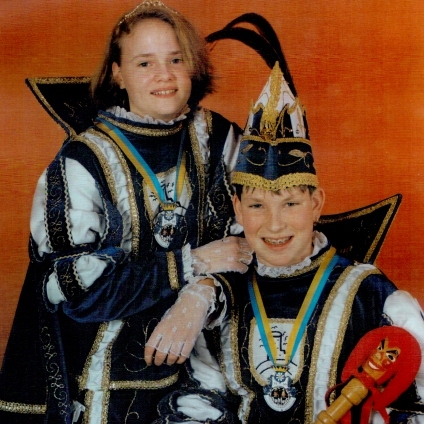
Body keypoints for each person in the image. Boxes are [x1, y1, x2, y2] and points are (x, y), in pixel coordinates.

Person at [0, 1, 253, 423]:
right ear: (118, 72)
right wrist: (189, 264)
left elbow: (260, 241)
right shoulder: (81, 161)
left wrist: (200, 295)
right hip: (107, 381)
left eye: (176, 59)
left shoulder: (222, 139)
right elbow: (77, 293)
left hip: (213, 365)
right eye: (144, 62)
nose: (164, 75)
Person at [152, 58, 424, 423]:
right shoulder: (221, 296)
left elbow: (415, 401)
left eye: (291, 204)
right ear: (237, 208)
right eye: (257, 206)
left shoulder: (369, 294)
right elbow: (201, 401)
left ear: (316, 204)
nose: (275, 224)